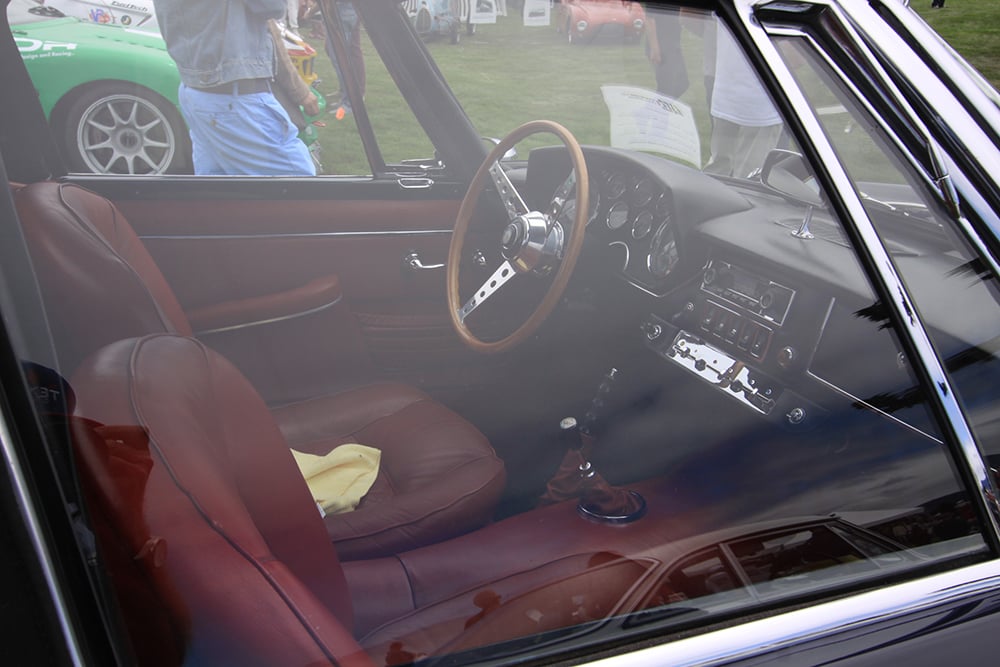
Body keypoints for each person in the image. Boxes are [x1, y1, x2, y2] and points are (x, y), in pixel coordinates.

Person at [152, 0, 317, 176]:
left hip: (195, 90)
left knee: (218, 188)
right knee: (299, 183)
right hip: (232, 98)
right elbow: (273, 6)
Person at [703, 25, 783, 178]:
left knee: (717, 173)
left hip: (726, 95)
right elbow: (794, 58)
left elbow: (693, 22)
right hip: (761, 104)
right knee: (749, 180)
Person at [645, 8, 689, 98]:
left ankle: (660, 105)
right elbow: (649, 19)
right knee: (666, 88)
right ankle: (656, 106)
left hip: (673, 44)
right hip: (662, 46)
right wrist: (654, 48)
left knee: (683, 83)